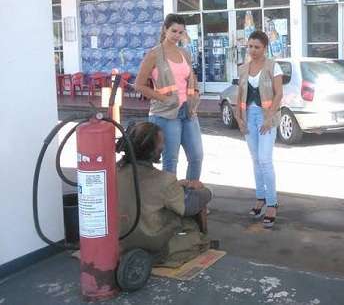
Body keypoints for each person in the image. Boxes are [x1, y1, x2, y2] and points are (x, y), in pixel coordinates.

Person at [117, 122, 212, 267]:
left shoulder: (113, 172)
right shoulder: (164, 180)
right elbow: (187, 208)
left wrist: (177, 185)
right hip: (149, 242)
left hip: (119, 239)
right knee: (196, 236)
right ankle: (155, 257)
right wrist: (204, 190)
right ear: (156, 150)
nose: (163, 147)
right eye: (161, 144)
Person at [134, 14, 203, 181]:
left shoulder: (184, 53)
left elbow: (191, 78)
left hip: (187, 111)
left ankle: (190, 193)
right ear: (165, 29)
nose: (177, 35)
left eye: (181, 32)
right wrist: (163, 99)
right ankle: (170, 195)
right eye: (173, 31)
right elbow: (139, 85)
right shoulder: (154, 54)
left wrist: (195, 95)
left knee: (196, 157)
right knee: (171, 160)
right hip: (165, 113)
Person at [234, 30, 283, 228]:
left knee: (265, 159)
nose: (253, 50)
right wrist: (239, 118)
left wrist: (269, 117)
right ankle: (260, 197)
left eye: (257, 47)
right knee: (255, 159)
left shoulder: (273, 66)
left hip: (266, 118)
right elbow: (239, 95)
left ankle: (272, 203)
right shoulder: (243, 69)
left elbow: (279, 94)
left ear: (265, 48)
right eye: (250, 46)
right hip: (249, 118)